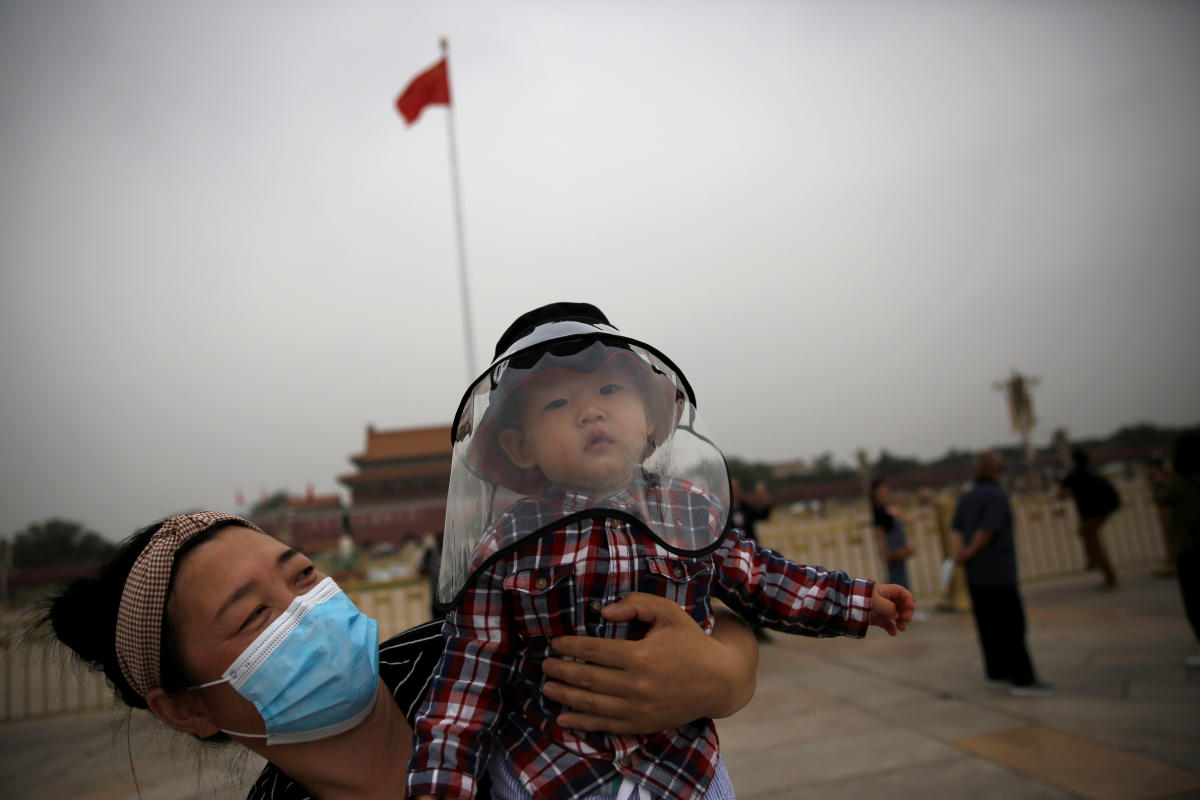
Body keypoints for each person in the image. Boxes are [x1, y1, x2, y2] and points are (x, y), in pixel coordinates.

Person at [410, 302, 915, 800]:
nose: (591, 410)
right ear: (522, 447)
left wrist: (857, 601)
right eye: (558, 404)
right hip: (547, 767)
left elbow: (765, 579)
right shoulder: (505, 544)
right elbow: (467, 677)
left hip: (684, 767)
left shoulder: (690, 512)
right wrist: (439, 785)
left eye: (610, 390)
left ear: (650, 420)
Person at [43, 511, 763, 800]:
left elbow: (715, 619)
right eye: (255, 614)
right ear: (188, 707)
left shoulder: (486, 653)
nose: (304, 611)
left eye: (302, 576)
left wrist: (723, 676)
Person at [951, 451, 1054, 696]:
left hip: (976, 575)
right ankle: (1022, 679)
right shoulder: (996, 496)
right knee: (1011, 626)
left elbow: (955, 528)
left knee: (988, 626)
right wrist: (972, 550)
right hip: (997, 571)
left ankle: (996, 673)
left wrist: (961, 553)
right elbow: (988, 529)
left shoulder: (966, 498)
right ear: (997, 471)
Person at [1152, 430, 1200, 646]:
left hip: (1190, 549)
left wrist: (1158, 481)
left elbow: (1162, 498)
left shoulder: (1180, 485)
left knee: (1194, 602)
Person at [1058, 448, 1121, 589]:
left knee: (1093, 543)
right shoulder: (1091, 473)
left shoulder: (1077, 475)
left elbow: (1063, 490)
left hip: (1091, 515)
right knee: (1088, 537)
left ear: (1074, 461)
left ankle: (1107, 574)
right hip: (1099, 513)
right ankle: (1095, 562)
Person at [730, 477, 775, 641]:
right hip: (736, 560)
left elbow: (762, 515)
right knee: (741, 596)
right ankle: (747, 630)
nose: (736, 490)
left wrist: (766, 502)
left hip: (753, 557)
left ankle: (759, 629)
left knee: (758, 593)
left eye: (737, 487)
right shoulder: (723, 509)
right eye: (732, 486)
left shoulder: (745, 506)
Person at [870, 477, 913, 589]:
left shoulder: (888, 507)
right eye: (883, 489)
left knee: (901, 574)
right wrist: (885, 549)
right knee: (895, 576)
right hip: (890, 544)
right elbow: (879, 531)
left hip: (898, 543)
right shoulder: (877, 509)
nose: (885, 491)